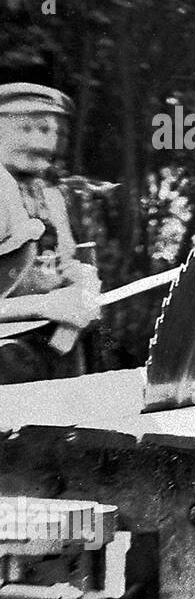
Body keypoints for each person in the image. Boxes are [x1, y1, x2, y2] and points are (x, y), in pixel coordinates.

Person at [0, 83, 100, 381]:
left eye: (48, 131)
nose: (42, 144)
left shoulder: (50, 196)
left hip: (49, 351)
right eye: (27, 129)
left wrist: (80, 279)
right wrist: (43, 305)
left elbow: (59, 261)